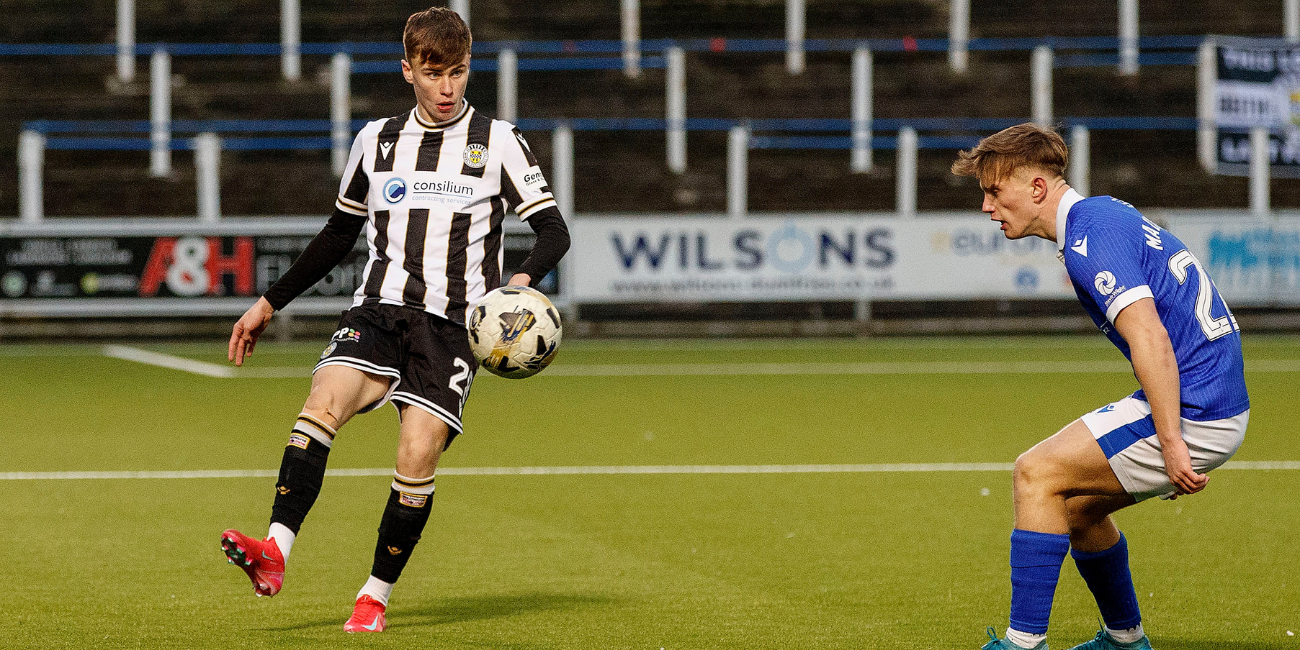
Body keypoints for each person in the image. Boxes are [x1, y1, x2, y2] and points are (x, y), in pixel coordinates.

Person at [219, 6, 569, 633]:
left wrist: (518, 285)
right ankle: (274, 552)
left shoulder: (500, 142)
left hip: (451, 327)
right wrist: (270, 302)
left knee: (416, 454)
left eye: (458, 73)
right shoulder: (376, 140)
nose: (447, 87)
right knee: (322, 403)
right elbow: (337, 234)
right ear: (408, 70)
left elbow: (552, 231)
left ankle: (374, 595)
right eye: (434, 73)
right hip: (379, 307)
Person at [951, 123, 1249, 650]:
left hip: (1198, 407)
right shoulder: (1101, 216)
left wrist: (1174, 442)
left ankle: (1023, 644)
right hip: (1209, 397)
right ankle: (1125, 640)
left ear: (1037, 188)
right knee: (1077, 510)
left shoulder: (1090, 238)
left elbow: (1151, 339)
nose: (986, 206)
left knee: (1035, 473)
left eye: (994, 190)